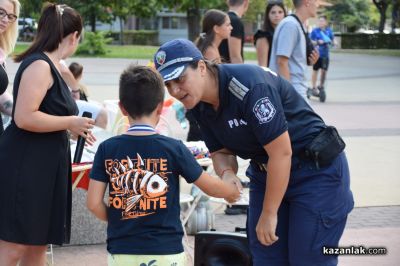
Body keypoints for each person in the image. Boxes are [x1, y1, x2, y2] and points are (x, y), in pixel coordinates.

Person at [154, 38, 354, 266]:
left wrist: (269, 213)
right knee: (266, 258)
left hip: (314, 174)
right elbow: (220, 151)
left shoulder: (248, 86)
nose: (175, 91)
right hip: (267, 173)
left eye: (179, 79)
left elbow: (281, 153)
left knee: (307, 259)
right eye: (168, 84)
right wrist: (227, 173)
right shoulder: (198, 103)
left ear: (201, 67)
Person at [87, 64, 240, 266]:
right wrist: (231, 190)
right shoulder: (173, 148)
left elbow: (93, 203)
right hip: (166, 251)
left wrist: (121, 221)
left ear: (122, 108)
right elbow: (209, 185)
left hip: (122, 252)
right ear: (160, 107)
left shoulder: (107, 149)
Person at [0, 3, 95, 265]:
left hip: (44, 167)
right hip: (25, 166)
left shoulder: (52, 66)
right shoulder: (40, 65)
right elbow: (23, 117)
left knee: (36, 245)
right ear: (74, 36)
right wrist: (70, 122)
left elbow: (45, 116)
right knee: (14, 246)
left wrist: (71, 128)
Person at [187, 9, 232, 141]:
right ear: (217, 28)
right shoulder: (210, 51)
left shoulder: (207, 46)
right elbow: (216, 84)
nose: (231, 27)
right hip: (203, 108)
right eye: (228, 24)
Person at [269, 0, 324, 99]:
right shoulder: (290, 25)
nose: (318, 5)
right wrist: (290, 96)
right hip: (293, 91)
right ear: (307, 2)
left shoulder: (298, 24)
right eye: (316, 1)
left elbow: (293, 60)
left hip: (298, 89)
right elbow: (281, 62)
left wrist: (310, 61)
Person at [62, 61, 108, 129]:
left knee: (100, 106)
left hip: (72, 107)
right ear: (80, 75)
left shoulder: (65, 83)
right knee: (103, 112)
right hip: (74, 110)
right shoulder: (78, 87)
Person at [0, 0, 19, 136]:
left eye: (11, 16)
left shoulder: (1, 53)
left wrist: (24, 112)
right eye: (1, 13)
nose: (5, 19)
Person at [253, 1, 286, 67]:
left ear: (285, 14)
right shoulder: (263, 35)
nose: (277, 15)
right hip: (270, 75)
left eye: (280, 12)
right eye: (273, 12)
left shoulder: (286, 34)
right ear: (268, 15)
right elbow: (263, 66)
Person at [309, 15, 334, 98]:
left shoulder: (329, 31)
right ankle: (313, 87)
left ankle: (321, 86)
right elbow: (310, 41)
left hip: (325, 55)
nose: (320, 22)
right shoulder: (315, 31)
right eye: (319, 21)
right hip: (316, 54)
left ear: (325, 22)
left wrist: (334, 43)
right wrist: (317, 42)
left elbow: (333, 40)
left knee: (324, 71)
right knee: (315, 71)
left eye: (322, 21)